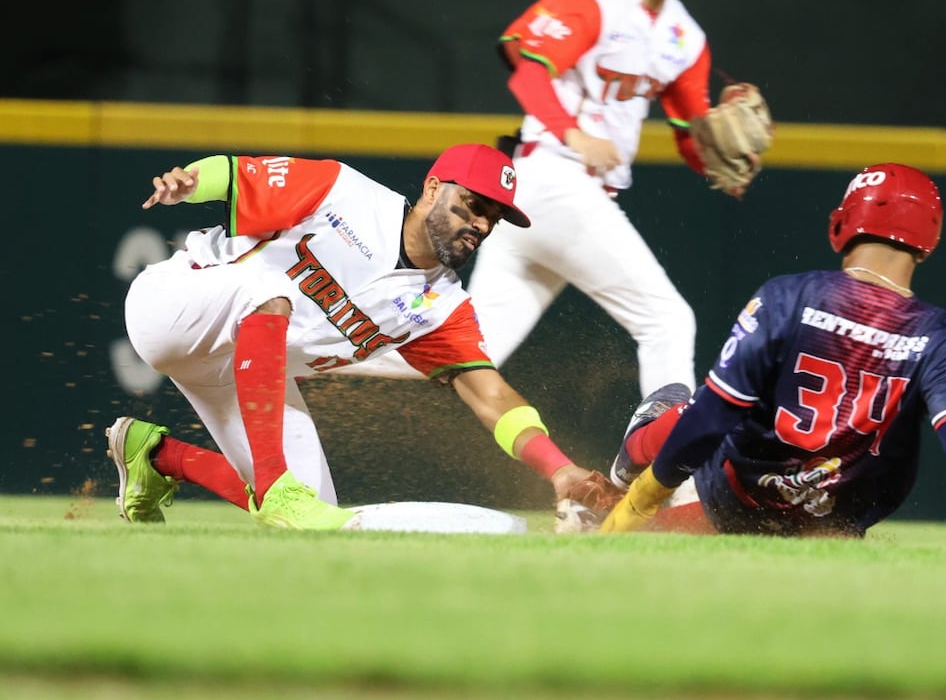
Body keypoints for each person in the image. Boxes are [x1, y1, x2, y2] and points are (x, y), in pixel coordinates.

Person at [334, 0, 741, 403]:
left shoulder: (686, 38)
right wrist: (575, 134)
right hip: (554, 178)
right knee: (666, 318)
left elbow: (691, 133)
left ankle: (305, 352)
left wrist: (719, 165)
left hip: (547, 202)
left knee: (472, 350)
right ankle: (664, 470)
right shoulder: (590, 4)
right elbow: (528, 73)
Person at [106, 144, 612, 530]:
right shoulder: (343, 192)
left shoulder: (441, 308)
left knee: (312, 519)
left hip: (239, 364)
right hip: (175, 304)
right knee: (269, 289)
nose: (478, 223)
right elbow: (237, 175)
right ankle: (277, 485)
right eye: (471, 204)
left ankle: (157, 457)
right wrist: (190, 183)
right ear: (433, 188)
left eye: (492, 217)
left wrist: (559, 470)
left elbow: (491, 398)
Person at [600, 163, 946, 537]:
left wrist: (642, 498)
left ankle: (629, 466)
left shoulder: (787, 297)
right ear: (928, 242)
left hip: (736, 493)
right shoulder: (944, 337)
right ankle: (634, 468)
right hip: (833, 517)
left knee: (705, 402)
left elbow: (715, 414)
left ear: (843, 222)